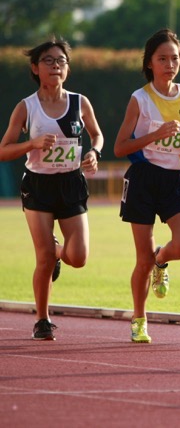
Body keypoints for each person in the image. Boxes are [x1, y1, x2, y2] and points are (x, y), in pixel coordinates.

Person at [0, 38, 103, 340]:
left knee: (79, 257)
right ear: (35, 68)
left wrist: (94, 153)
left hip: (71, 183)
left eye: (61, 61)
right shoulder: (26, 108)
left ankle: (59, 251)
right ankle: (42, 319)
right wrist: (31, 143)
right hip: (39, 186)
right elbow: (4, 149)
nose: (56, 65)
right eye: (48, 60)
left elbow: (97, 136)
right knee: (43, 258)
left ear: (67, 69)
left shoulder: (80, 103)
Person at [113, 28, 180, 344]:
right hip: (143, 179)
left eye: (174, 58)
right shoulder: (139, 99)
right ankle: (139, 319)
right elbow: (120, 147)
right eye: (162, 58)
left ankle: (162, 259)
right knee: (141, 259)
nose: (169, 64)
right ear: (150, 63)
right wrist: (155, 135)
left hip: (176, 180)